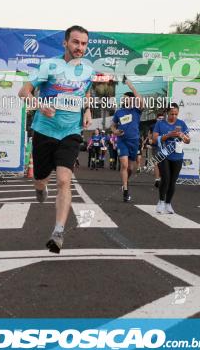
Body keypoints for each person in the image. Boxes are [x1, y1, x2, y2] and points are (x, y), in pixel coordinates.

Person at [18, 25, 93, 253]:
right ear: (65, 43)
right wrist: (40, 105)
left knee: (63, 180)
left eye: (83, 43)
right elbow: (24, 92)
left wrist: (87, 110)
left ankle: (58, 231)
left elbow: (85, 91)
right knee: (41, 179)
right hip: (45, 131)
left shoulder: (88, 69)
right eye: (75, 42)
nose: (80, 47)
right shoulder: (49, 66)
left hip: (70, 131)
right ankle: (40, 187)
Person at [152, 103, 190, 214]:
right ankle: (161, 202)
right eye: (171, 114)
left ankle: (168, 204)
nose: (173, 116)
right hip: (163, 155)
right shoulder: (160, 123)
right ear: (167, 113)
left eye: (176, 114)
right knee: (166, 178)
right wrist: (169, 135)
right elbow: (154, 139)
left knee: (173, 181)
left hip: (177, 155)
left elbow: (188, 140)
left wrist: (182, 135)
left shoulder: (181, 123)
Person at [111, 78, 142, 202]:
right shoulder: (119, 112)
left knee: (130, 168)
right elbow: (112, 125)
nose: (123, 99)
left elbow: (141, 101)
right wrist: (115, 131)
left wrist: (131, 87)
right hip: (122, 141)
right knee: (124, 165)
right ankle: (125, 190)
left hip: (134, 141)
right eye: (123, 98)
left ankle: (126, 181)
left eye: (126, 97)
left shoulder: (136, 110)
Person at [150, 112, 165, 188]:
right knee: (156, 163)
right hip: (155, 147)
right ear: (156, 119)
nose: (161, 120)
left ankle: (162, 179)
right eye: (159, 118)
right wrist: (150, 140)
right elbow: (150, 135)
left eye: (162, 118)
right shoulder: (153, 126)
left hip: (164, 147)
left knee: (163, 163)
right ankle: (157, 179)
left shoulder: (165, 126)